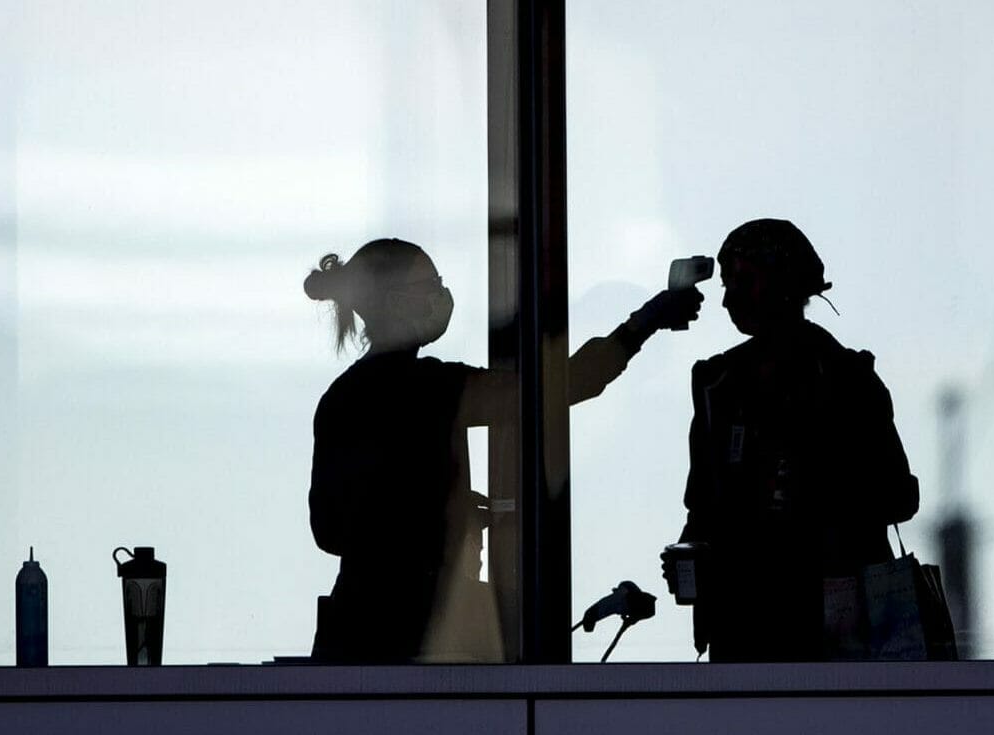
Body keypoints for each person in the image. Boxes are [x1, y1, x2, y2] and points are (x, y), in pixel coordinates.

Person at [304, 238, 700, 663]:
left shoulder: (341, 397)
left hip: (356, 628)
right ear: (399, 301)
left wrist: (435, 510)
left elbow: (331, 528)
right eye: (431, 285)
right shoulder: (433, 389)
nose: (442, 295)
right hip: (414, 630)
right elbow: (571, 384)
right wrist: (646, 321)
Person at [674, 219, 918, 661]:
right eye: (728, 284)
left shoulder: (849, 381)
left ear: (784, 283)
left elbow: (898, 497)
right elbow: (703, 508)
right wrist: (694, 556)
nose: (727, 299)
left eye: (743, 281)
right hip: (747, 634)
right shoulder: (718, 386)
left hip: (834, 638)